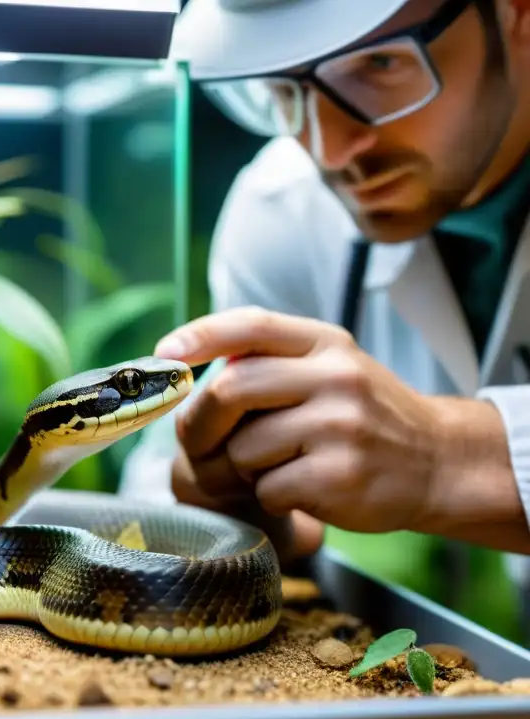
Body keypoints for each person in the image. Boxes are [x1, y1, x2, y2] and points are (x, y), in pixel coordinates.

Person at [118, 0, 530, 572]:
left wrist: (443, 456)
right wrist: (234, 510)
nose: (330, 152)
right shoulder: (284, 207)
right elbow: (157, 488)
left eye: (381, 64)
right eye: (285, 90)